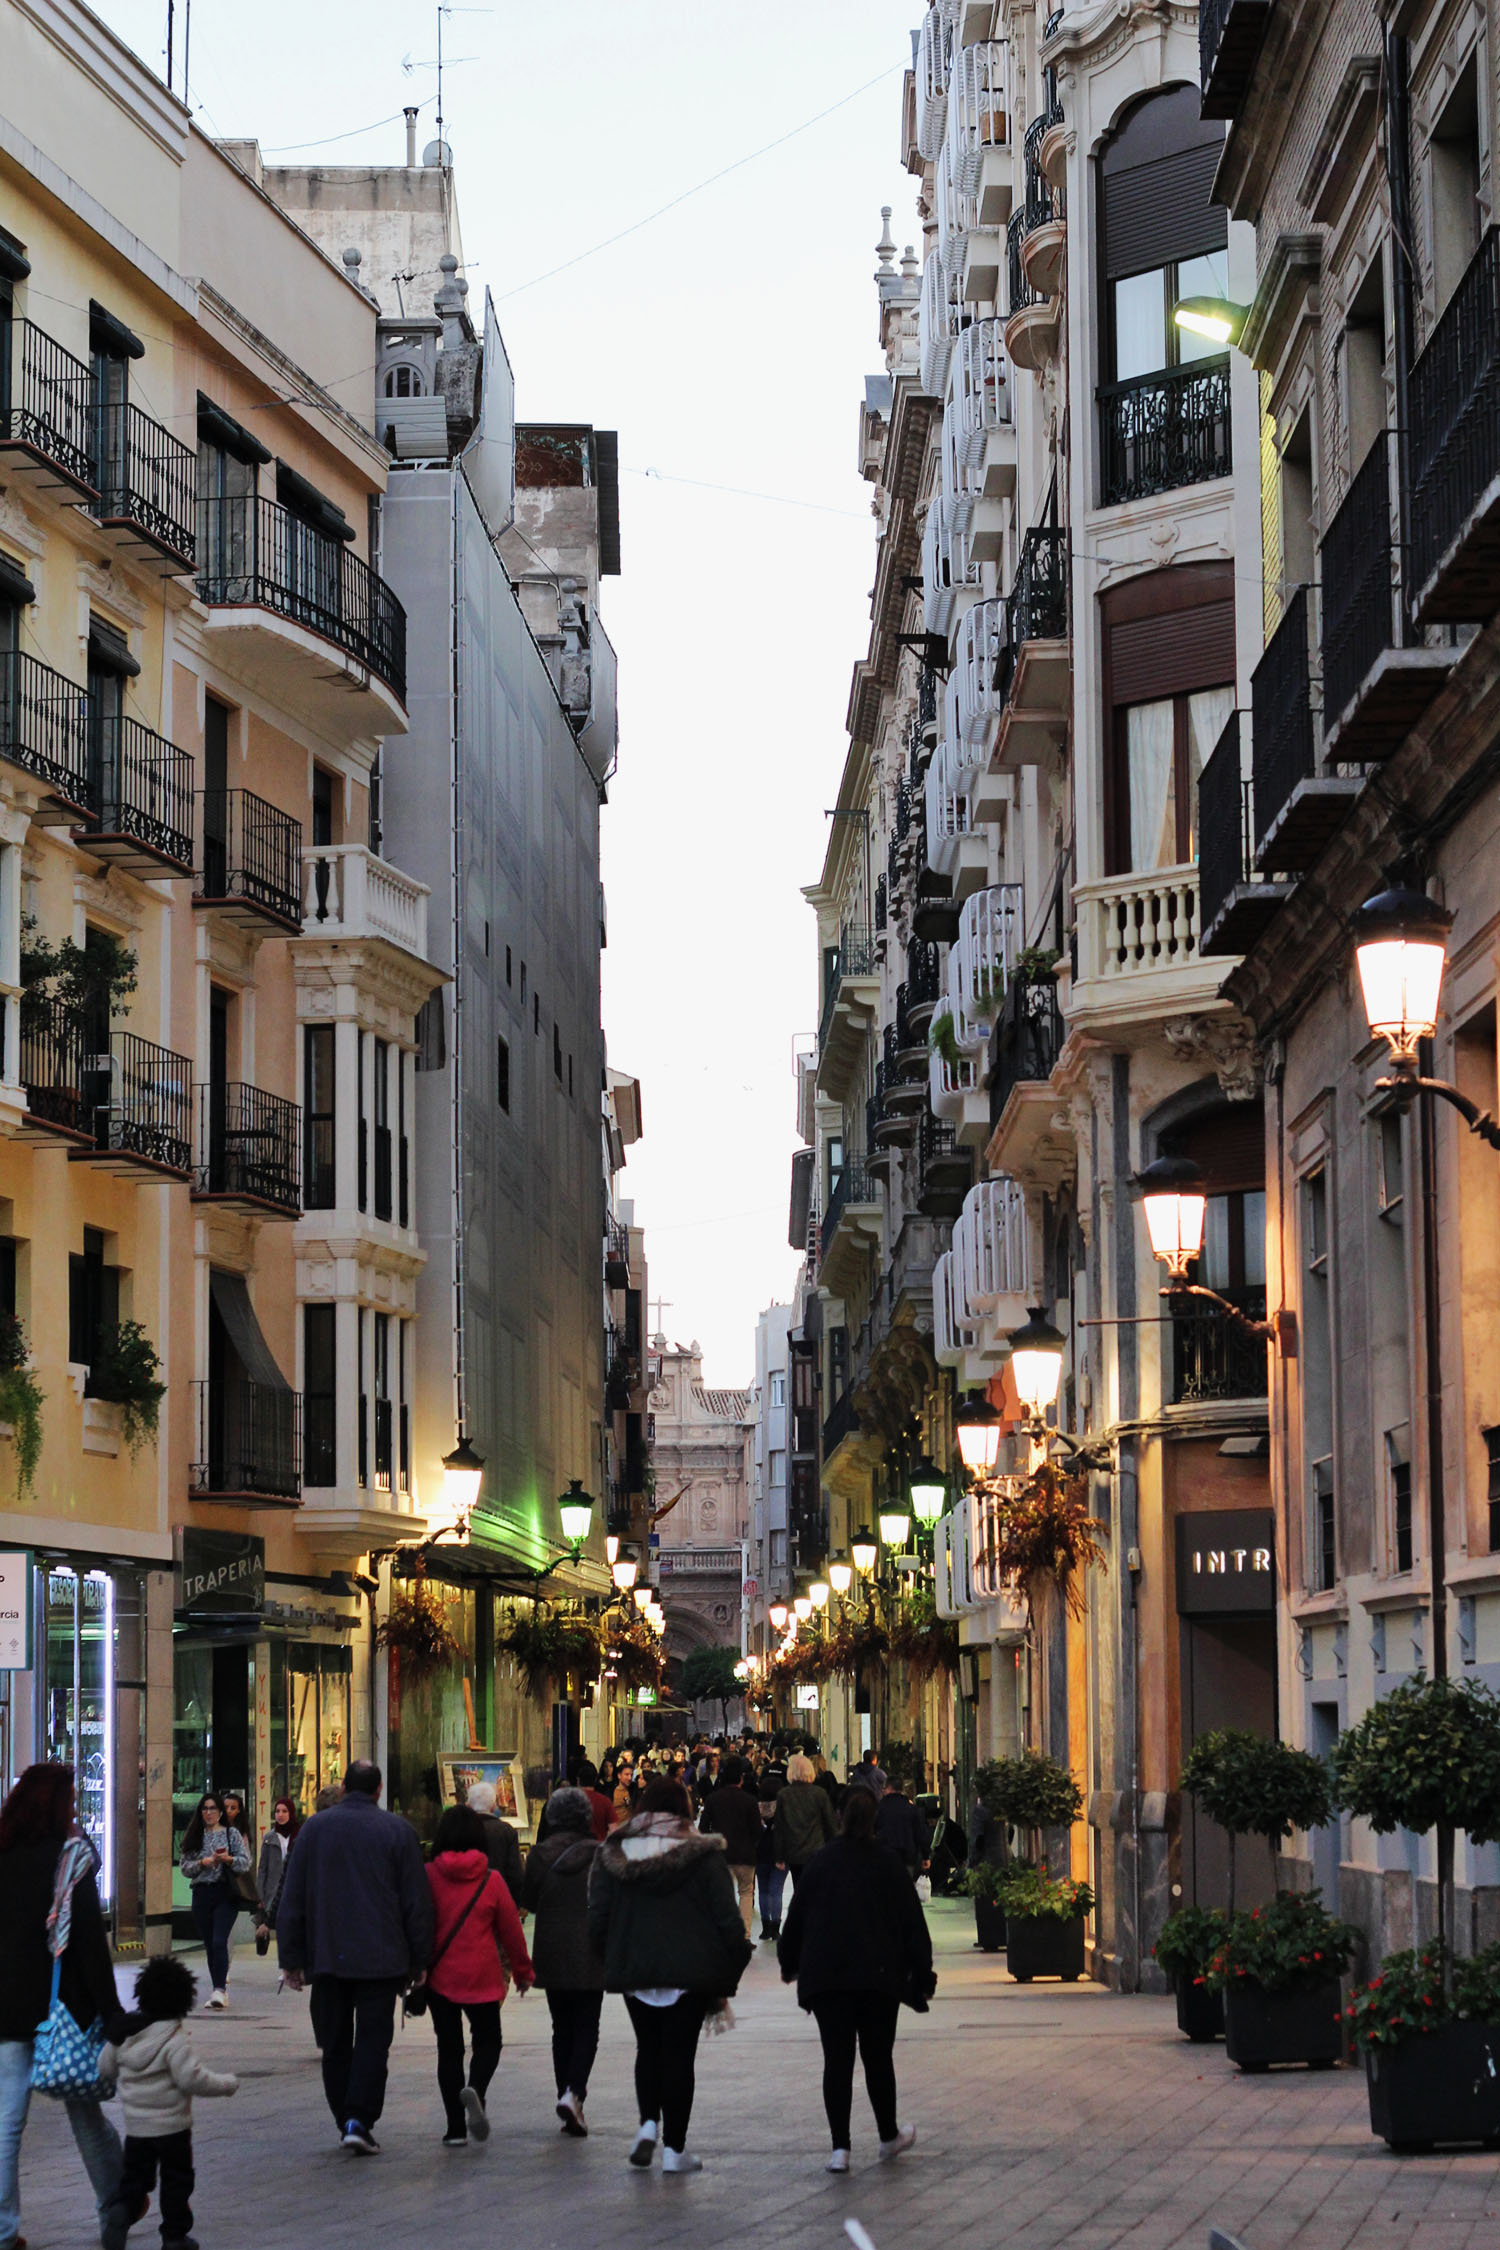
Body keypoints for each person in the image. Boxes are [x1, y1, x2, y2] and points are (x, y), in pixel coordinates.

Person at [588, 1777, 751, 2175]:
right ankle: (675, 2150)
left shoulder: (615, 1852)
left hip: (636, 1970)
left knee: (648, 2048)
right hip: (689, 1971)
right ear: (684, 1809)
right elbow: (728, 1921)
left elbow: (598, 1917)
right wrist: (729, 1970)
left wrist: (611, 1958)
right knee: (679, 2056)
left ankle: (648, 2123)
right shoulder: (703, 1856)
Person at [274, 1758, 434, 2155]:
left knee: (335, 2043)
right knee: (373, 2042)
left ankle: (344, 2116)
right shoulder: (399, 1831)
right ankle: (359, 2118)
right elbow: (416, 1902)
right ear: (379, 1790)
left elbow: (292, 1897)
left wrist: (291, 1958)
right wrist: (420, 1959)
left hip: (328, 1955)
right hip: (382, 1958)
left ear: (343, 1787)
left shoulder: (313, 1830)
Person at [0, 1763, 126, 2250]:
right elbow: (89, 1943)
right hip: (62, 2009)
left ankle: (4, 2230)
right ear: (58, 1805)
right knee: (85, 2111)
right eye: (71, 1801)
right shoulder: (71, 1857)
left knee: (7, 2123)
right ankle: (114, 2203)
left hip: (7, 2006)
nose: (75, 1809)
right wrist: (111, 2012)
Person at [777, 1788, 933, 2172]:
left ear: (840, 1816)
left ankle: (840, 2149)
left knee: (837, 2060)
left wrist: (789, 1962)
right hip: (878, 1977)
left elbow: (796, 1917)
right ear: (874, 1819)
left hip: (829, 1978)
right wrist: (922, 1972)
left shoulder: (821, 1861)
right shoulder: (888, 1863)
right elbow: (912, 1923)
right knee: (878, 2058)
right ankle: (887, 2136)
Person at [99, 1956, 237, 2250]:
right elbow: (191, 2079)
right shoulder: (174, 2037)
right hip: (173, 2130)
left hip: (137, 2131)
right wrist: (226, 2084)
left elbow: (105, 2068)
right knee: (176, 2182)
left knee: (135, 2179)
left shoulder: (123, 2034)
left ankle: (123, 2209)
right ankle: (174, 2237)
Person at [420, 1806, 533, 2148]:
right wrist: (522, 1972)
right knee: (488, 2041)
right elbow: (511, 1931)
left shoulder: (428, 1875)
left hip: (440, 1976)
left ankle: (455, 2129)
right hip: (482, 1974)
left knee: (449, 2050)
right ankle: (477, 2089)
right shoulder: (491, 1879)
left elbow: (415, 1922)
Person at [521, 1787, 606, 2137]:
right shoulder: (601, 1854)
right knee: (587, 2026)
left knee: (562, 2027)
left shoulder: (540, 1854)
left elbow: (529, 1900)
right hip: (591, 1949)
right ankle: (574, 2094)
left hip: (552, 1947)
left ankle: (566, 2096)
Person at [178, 1793, 250, 2010]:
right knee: (210, 1944)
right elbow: (185, 1868)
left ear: (220, 1812)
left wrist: (228, 1859)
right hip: (201, 1894)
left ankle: (220, 1989)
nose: (209, 1813)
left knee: (219, 1941)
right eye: (205, 1808)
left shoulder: (231, 1833)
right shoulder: (194, 1836)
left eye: (213, 1808)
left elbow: (245, 1862)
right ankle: (217, 1987)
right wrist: (203, 1862)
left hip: (225, 1893)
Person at [699, 1756, 761, 1937]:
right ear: (741, 1779)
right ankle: (744, 1935)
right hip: (745, 1855)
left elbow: (703, 1828)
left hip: (721, 1856)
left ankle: (723, 1934)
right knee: (746, 1893)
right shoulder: (750, 1801)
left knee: (722, 1895)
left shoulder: (712, 1800)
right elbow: (757, 1830)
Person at [773, 1752, 837, 1887]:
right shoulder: (819, 1793)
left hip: (794, 1852)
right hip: (816, 1850)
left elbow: (779, 1827)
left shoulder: (784, 1795)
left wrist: (779, 1856)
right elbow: (829, 1824)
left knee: (799, 1886)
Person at [253, 1797, 299, 1957]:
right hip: (274, 1891)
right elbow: (262, 1869)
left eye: (284, 1811)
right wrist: (260, 1895)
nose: (280, 1815)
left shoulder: (300, 1835)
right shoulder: (269, 1838)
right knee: (281, 1929)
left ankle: (291, 1959)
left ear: (291, 1813)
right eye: (277, 1811)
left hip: (294, 1888)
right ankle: (286, 1961)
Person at [463, 1783, 524, 1903]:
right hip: (499, 1898)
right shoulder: (506, 1831)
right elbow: (514, 1873)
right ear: (493, 1806)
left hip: (467, 1899)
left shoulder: (461, 1830)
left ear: (468, 1805)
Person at [875, 1779, 931, 1881]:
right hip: (906, 1857)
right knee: (905, 1885)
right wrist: (925, 1856)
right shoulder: (911, 1809)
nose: (883, 1791)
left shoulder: (879, 1809)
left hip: (883, 1857)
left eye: (884, 1788)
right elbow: (920, 1834)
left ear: (889, 1789)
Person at [754, 1769, 785, 1941]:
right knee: (776, 1890)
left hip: (760, 1853)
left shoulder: (756, 1809)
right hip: (779, 1853)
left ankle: (765, 1927)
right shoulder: (782, 1810)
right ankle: (776, 1927)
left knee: (763, 1890)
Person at [570, 1761, 615, 1842]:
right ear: (595, 1780)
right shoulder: (605, 1802)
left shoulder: (571, 1801)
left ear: (578, 1780)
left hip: (577, 1846)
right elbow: (613, 1829)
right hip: (598, 1846)